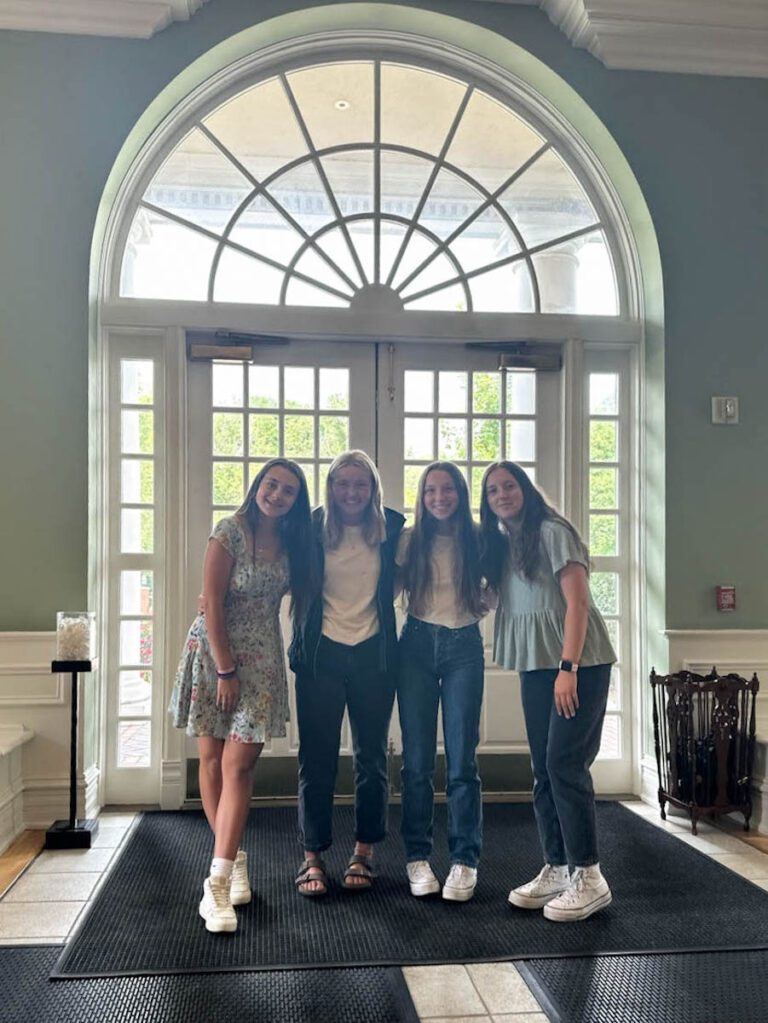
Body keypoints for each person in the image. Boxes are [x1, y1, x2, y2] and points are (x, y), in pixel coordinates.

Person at [169, 458, 316, 933]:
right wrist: (226, 667)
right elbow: (210, 600)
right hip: (216, 654)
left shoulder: (296, 542)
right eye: (271, 484)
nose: (277, 494)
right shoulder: (229, 530)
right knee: (211, 761)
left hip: (264, 660)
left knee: (240, 765)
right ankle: (224, 873)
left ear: (297, 500)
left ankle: (221, 869)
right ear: (258, 486)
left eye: (288, 490)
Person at [480, 461, 616, 922]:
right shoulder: (504, 543)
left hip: (578, 665)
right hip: (536, 667)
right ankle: (557, 866)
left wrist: (568, 668)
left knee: (564, 763)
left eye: (509, 485)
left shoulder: (553, 531)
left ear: (526, 489)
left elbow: (577, 602)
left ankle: (590, 876)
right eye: (493, 489)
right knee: (543, 767)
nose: (501, 494)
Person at [288, 450, 404, 896]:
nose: (351, 492)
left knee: (371, 758)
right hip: (321, 656)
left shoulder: (392, 527)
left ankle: (364, 852)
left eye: (361, 484)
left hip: (375, 657)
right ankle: (312, 856)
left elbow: (414, 572)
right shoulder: (310, 529)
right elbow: (274, 569)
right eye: (343, 484)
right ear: (330, 488)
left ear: (373, 488)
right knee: (316, 760)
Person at [396, 461, 486, 902]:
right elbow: (382, 588)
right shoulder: (410, 540)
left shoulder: (479, 538)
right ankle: (417, 857)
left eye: (447, 489)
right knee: (416, 762)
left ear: (460, 493)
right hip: (414, 646)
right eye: (430, 490)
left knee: (461, 761)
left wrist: (486, 602)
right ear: (421, 496)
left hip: (463, 647)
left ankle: (464, 860)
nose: (439, 497)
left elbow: (504, 582)